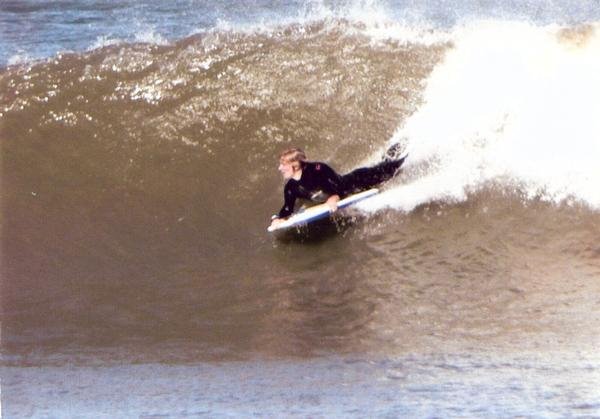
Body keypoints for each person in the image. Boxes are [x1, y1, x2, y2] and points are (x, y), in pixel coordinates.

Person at [269, 146, 406, 229]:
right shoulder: (290, 187)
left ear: (295, 165)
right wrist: (279, 218)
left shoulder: (317, 169)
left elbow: (338, 185)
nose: (279, 168)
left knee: (391, 169)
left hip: (357, 181)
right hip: (347, 190)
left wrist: (334, 196)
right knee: (384, 166)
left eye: (283, 165)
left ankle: (406, 152)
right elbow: (288, 207)